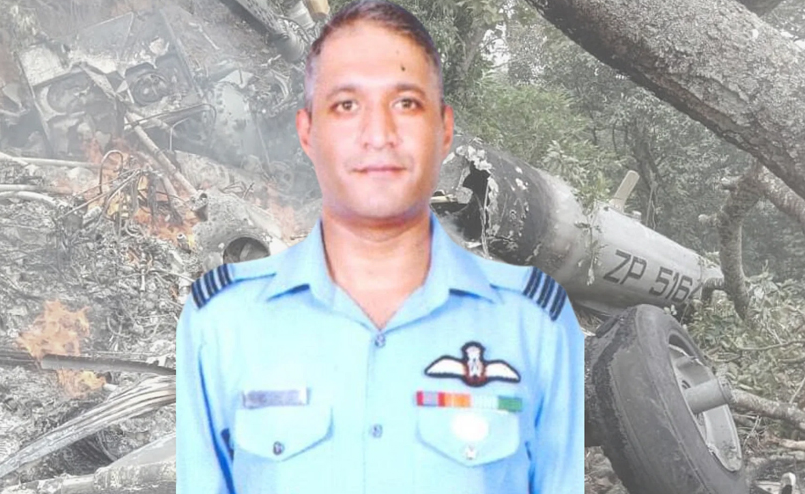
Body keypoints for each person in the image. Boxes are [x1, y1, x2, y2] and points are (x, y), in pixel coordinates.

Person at [176, 1, 584, 493]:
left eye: (405, 105)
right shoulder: (221, 322)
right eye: (346, 106)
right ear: (306, 132)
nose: (377, 135)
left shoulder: (533, 324)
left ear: (444, 131)